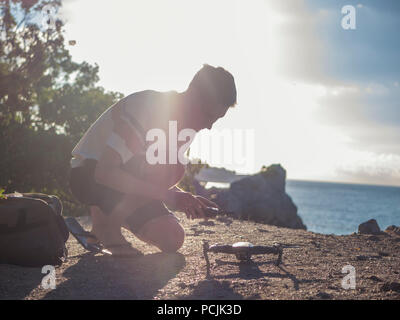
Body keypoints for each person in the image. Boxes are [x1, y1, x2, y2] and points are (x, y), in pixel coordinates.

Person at [68, 64, 237, 256]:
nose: (209, 126)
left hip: (120, 185)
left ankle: (102, 223)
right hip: (89, 176)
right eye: (208, 115)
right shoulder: (149, 108)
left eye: (216, 119)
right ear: (193, 96)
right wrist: (170, 196)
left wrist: (185, 199)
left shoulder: (185, 126)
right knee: (174, 168)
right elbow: (105, 172)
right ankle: (109, 227)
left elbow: (150, 173)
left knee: (172, 238)